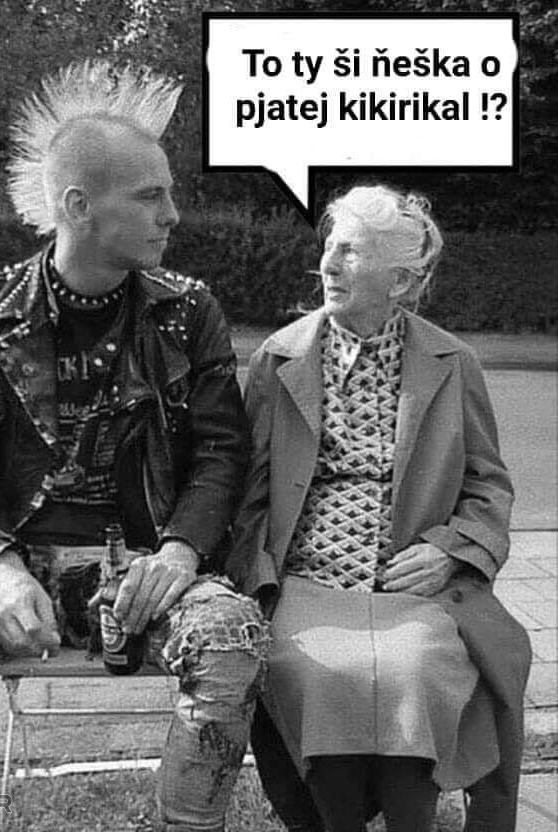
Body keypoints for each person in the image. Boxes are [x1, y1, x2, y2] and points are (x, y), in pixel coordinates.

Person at [0, 61, 268, 832]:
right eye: (150, 196)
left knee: (230, 634)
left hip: (145, 565)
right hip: (11, 562)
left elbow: (222, 454)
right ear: (78, 206)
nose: (173, 214)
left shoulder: (189, 312)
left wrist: (179, 553)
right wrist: (1, 567)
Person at [227, 184, 532, 832]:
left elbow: (488, 486)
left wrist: (451, 550)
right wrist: (258, 582)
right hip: (306, 580)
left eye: (352, 252)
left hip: (412, 589)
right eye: (331, 248)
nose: (329, 265)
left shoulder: (453, 362)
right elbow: (248, 495)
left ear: (399, 281)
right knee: (311, 670)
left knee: (415, 670)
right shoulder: (278, 359)